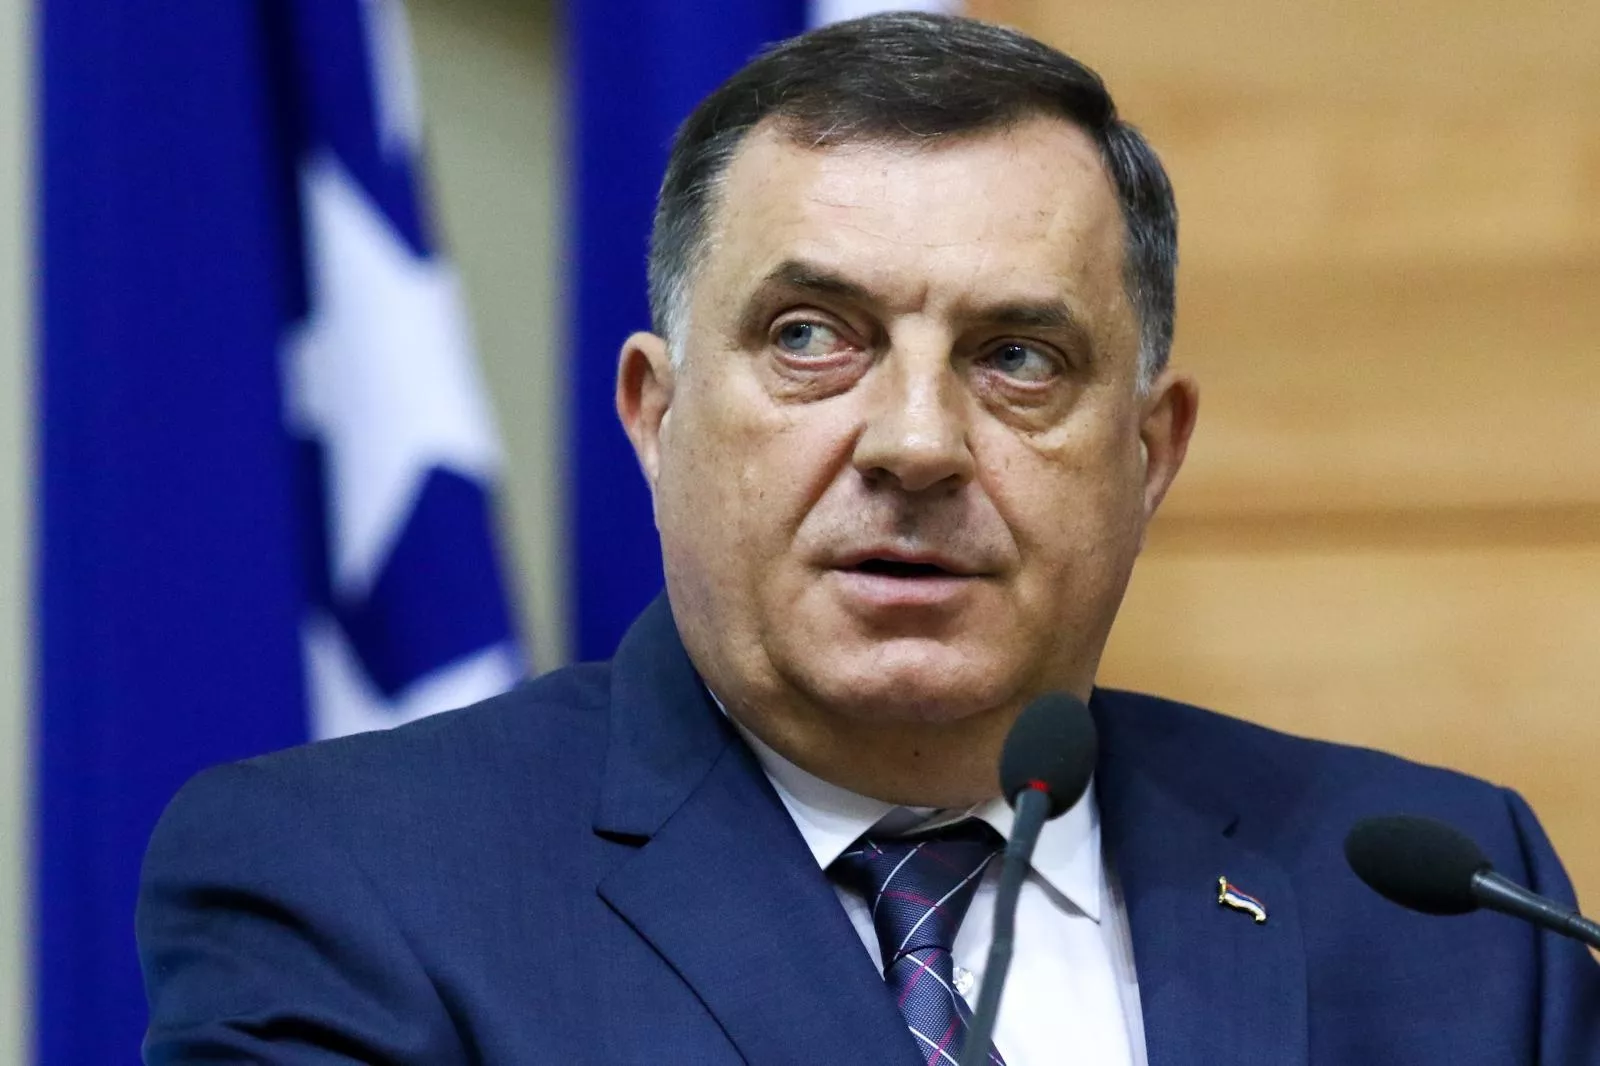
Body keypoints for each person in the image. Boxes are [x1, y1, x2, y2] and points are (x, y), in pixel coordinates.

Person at [137, 13, 1600, 1064]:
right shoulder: (353, 884)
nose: (915, 444)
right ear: (656, 415)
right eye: (810, 337)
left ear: (1148, 454)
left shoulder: (1449, 905)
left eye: (1018, 357)